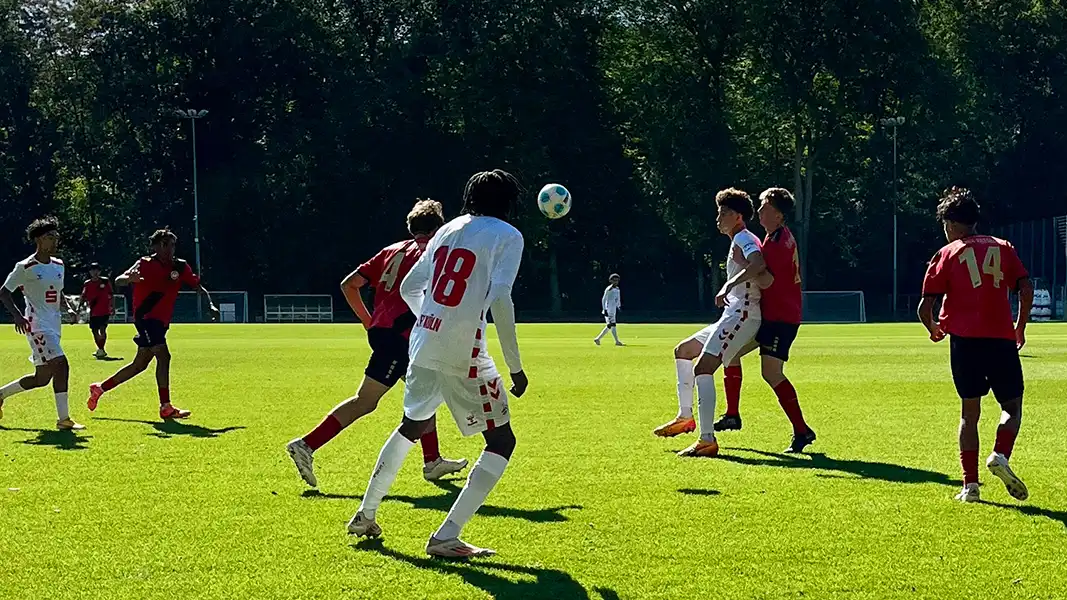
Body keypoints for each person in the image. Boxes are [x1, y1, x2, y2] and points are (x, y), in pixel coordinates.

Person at [347, 169, 529, 558]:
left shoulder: (447, 231)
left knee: (411, 425)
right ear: (507, 201)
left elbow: (412, 286)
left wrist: (434, 319)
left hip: (423, 341)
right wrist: (515, 366)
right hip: (466, 352)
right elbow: (500, 299)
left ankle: (366, 513)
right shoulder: (508, 236)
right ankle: (447, 535)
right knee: (501, 440)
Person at [286, 200, 469, 487]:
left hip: (387, 332)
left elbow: (349, 284)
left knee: (424, 393)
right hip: (404, 336)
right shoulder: (433, 253)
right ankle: (306, 444)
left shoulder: (391, 251)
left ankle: (432, 460)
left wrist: (367, 320)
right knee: (369, 400)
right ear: (438, 228)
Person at [918, 187, 1031, 503]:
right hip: (1000, 339)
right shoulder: (1003, 247)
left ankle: (970, 487)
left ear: (952, 224)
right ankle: (1000, 455)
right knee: (1011, 408)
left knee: (970, 413)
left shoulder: (948, 252)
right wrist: (1019, 327)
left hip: (965, 341)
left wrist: (933, 328)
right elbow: (1024, 287)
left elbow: (925, 307)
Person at [652, 188, 769, 457]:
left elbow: (758, 262)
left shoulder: (744, 237)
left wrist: (728, 284)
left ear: (738, 217)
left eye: (724, 213)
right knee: (683, 351)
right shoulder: (737, 238)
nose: (718, 217)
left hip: (743, 315)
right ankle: (685, 417)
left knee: (704, 368)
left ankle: (707, 440)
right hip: (731, 315)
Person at [711, 188, 816, 453]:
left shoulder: (777, 244)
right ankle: (732, 414)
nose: (759, 211)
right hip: (771, 315)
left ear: (779, 215)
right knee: (730, 353)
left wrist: (739, 269)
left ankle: (802, 431)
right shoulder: (775, 237)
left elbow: (767, 280)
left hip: (781, 317)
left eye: (765, 207)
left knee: (771, 372)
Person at [87, 228, 219, 420]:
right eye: (165, 244)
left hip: (161, 321)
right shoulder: (144, 263)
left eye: (172, 244)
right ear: (155, 246)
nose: (169, 248)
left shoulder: (180, 267)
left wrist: (211, 305)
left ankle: (99, 388)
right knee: (164, 357)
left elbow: (198, 287)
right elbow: (119, 280)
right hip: (146, 318)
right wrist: (129, 278)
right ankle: (165, 406)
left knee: (139, 364)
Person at [0, 217, 84, 430]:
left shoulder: (59, 265)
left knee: (42, 378)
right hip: (37, 327)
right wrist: (18, 316)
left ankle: (1, 395)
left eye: (56, 236)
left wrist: (69, 310)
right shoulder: (26, 266)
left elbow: (58, 293)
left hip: (54, 326)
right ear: (38, 239)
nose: (55, 240)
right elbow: (4, 292)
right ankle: (64, 420)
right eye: (50, 237)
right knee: (62, 364)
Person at [76, 262, 114, 359]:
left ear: (99, 271)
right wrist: (79, 307)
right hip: (93, 311)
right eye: (93, 270)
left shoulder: (105, 281)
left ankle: (101, 349)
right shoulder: (87, 283)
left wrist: (112, 307)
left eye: (97, 270)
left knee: (103, 329)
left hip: (105, 310)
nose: (95, 272)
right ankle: (100, 349)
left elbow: (111, 295)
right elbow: (83, 296)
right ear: (90, 272)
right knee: (94, 331)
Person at [594, 273, 623, 346]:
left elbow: (617, 299)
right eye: (614, 280)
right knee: (612, 325)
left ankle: (598, 339)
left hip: (613, 309)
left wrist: (618, 306)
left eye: (617, 280)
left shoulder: (617, 289)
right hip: (608, 309)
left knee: (610, 325)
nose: (616, 282)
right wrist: (604, 309)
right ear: (611, 281)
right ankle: (616, 341)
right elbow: (604, 299)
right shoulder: (608, 289)